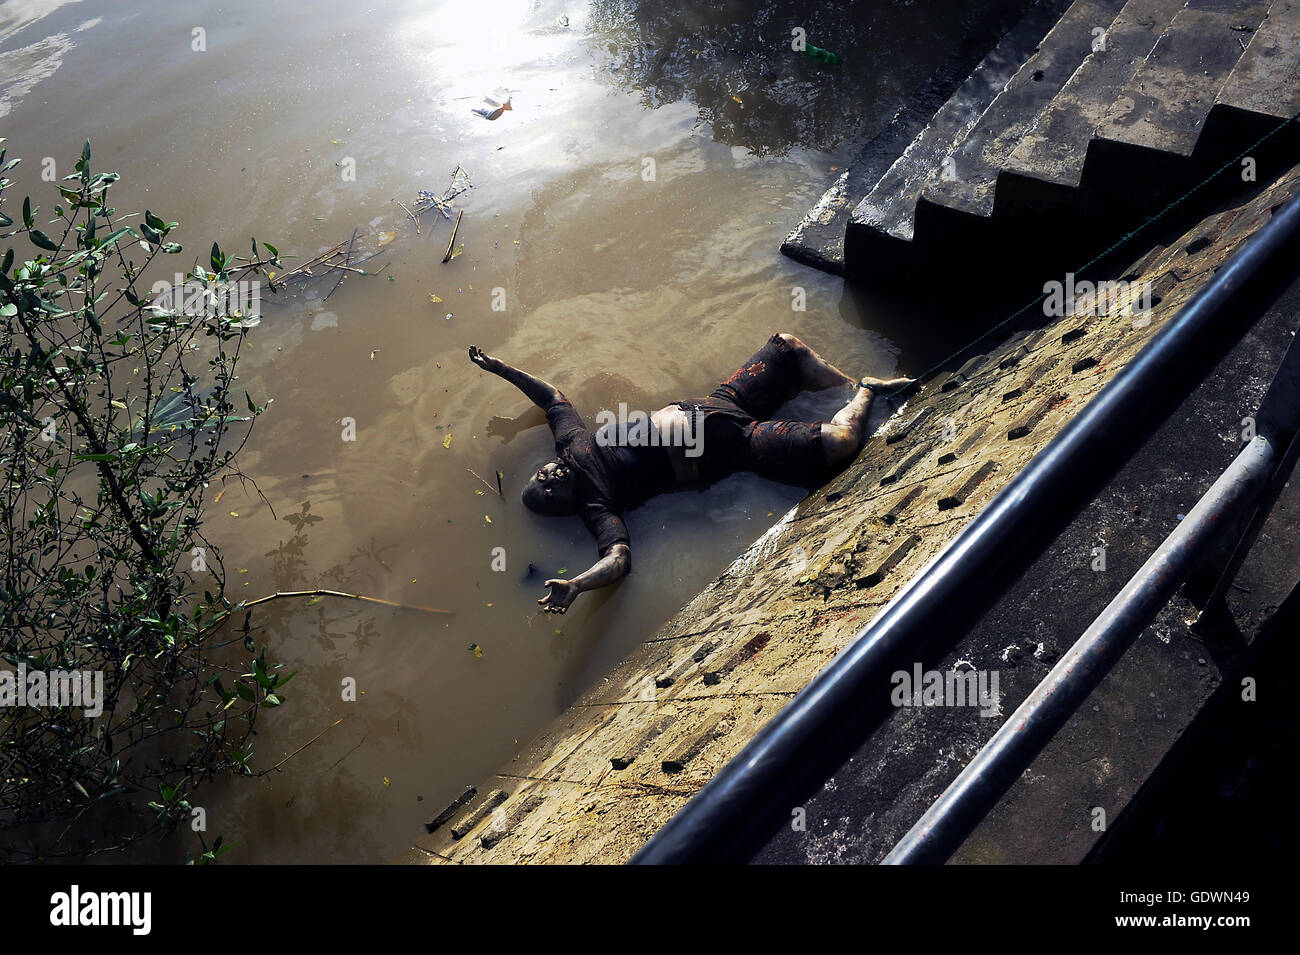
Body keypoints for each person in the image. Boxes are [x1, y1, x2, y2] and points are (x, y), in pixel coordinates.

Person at [468, 333, 915, 614]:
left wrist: (500, 368)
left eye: (539, 476)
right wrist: (578, 585)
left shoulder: (570, 442)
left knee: (787, 346)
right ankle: (867, 392)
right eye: (545, 490)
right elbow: (620, 560)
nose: (546, 476)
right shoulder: (596, 503)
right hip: (741, 444)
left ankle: (840, 386)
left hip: (720, 403)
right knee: (838, 445)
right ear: (562, 504)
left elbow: (552, 398)